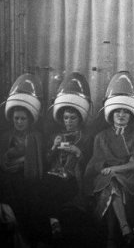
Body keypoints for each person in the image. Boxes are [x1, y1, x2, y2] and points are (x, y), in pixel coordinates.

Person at [84, 71, 134, 248]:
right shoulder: (101, 136)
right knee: (111, 185)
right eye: (117, 111)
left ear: (131, 115)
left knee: (113, 183)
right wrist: (105, 168)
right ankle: (124, 229)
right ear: (111, 114)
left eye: (125, 112)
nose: (121, 115)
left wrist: (114, 170)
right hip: (105, 176)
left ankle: (113, 238)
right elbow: (96, 162)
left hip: (128, 176)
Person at [36, 73, 93, 242]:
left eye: (72, 118)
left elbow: (90, 163)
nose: (68, 121)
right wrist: (54, 147)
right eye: (66, 118)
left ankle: (53, 221)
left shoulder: (86, 137)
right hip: (53, 175)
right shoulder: (56, 135)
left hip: (73, 177)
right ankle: (54, 222)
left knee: (52, 187)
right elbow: (46, 160)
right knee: (45, 185)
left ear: (80, 118)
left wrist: (78, 152)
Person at [0, 73, 44, 245]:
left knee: (32, 199)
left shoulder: (36, 137)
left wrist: (23, 161)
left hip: (29, 181)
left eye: (23, 119)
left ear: (30, 120)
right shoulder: (4, 137)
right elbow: (2, 163)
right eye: (16, 118)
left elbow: (38, 163)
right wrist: (19, 160)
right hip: (8, 182)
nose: (19, 122)